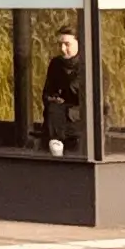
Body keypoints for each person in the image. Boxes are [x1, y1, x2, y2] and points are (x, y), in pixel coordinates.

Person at [35, 27, 85, 157]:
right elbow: (47, 93)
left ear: (80, 44)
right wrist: (53, 98)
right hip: (58, 116)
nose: (62, 49)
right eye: (60, 44)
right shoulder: (56, 64)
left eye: (67, 44)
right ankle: (54, 147)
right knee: (53, 111)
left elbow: (94, 102)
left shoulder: (91, 65)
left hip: (81, 118)